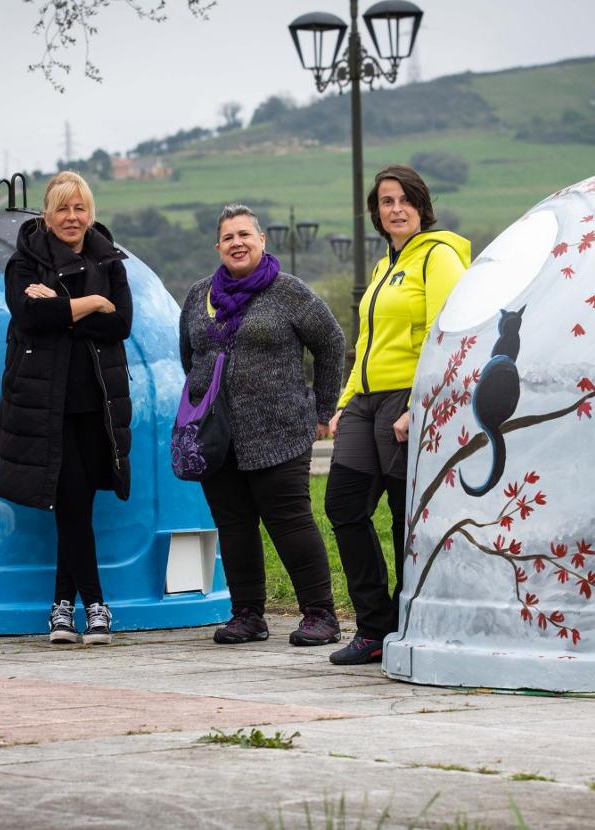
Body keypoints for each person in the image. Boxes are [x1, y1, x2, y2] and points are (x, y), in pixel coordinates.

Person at [179, 204, 346, 647]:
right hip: (217, 438)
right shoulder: (199, 296)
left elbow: (331, 343)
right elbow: (189, 354)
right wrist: (201, 401)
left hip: (280, 431)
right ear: (218, 246)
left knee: (289, 521)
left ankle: (321, 614)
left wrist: (323, 409)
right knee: (233, 526)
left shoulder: (290, 293)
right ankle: (247, 614)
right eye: (228, 237)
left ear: (261, 241)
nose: (237, 243)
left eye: (244, 235)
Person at [326, 165, 471, 665]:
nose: (396, 208)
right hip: (366, 401)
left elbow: (446, 331)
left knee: (403, 517)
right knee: (343, 506)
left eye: (405, 199)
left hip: (406, 398)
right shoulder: (383, 265)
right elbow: (365, 340)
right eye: (386, 201)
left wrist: (417, 405)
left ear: (421, 205)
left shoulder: (439, 256)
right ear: (377, 212)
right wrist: (345, 402)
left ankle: (412, 620)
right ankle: (373, 626)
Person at [0, 170, 133, 646]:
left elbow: (121, 325)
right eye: (62, 208)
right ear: (47, 214)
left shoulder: (110, 260)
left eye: (79, 208)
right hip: (46, 407)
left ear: (90, 213)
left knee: (76, 506)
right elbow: (31, 317)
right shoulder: (24, 264)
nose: (71, 217)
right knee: (72, 501)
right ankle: (94, 606)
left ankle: (60, 609)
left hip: (97, 405)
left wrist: (69, 305)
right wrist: (94, 304)